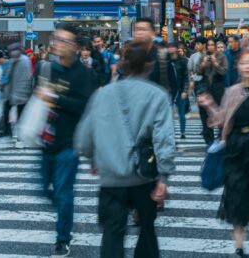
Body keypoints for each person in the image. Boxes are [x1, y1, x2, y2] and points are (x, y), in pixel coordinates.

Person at [75, 42, 176, 258]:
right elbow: (164, 140)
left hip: (111, 178)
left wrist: (93, 160)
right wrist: (163, 178)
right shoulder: (157, 96)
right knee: (147, 231)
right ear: (149, 65)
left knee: (112, 233)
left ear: (122, 65)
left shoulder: (103, 94)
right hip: (144, 177)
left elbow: (83, 138)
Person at [199, 49, 249, 256]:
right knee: (237, 197)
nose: (248, 66)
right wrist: (210, 105)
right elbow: (221, 118)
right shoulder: (232, 91)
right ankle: (239, 248)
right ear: (238, 67)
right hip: (236, 150)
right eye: (244, 63)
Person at [36, 24, 97, 256]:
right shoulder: (48, 68)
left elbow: (84, 107)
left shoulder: (85, 75)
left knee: (63, 192)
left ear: (75, 47)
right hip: (45, 140)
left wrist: (55, 97)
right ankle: (65, 210)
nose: (58, 44)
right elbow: (38, 96)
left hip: (69, 144)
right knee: (42, 189)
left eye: (64, 41)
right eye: (56, 39)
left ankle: (62, 238)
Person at [0, 43, 34, 145]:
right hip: (16, 94)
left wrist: (0, 83)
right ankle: (13, 136)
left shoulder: (21, 62)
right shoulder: (22, 61)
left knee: (13, 115)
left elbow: (8, 76)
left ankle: (14, 137)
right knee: (14, 115)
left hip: (16, 94)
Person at [198, 38, 228, 146]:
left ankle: (221, 139)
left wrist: (216, 64)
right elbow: (198, 71)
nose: (210, 47)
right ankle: (209, 142)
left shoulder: (222, 56)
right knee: (205, 117)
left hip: (218, 88)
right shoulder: (203, 56)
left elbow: (224, 71)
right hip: (206, 88)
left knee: (220, 115)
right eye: (208, 45)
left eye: (212, 45)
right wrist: (203, 65)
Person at [167, 42, 190, 139]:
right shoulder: (166, 61)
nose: (171, 50)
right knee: (168, 114)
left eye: (173, 48)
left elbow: (186, 77)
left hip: (180, 90)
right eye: (170, 48)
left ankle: (182, 132)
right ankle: (170, 132)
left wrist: (185, 90)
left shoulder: (182, 61)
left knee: (181, 114)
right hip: (169, 92)